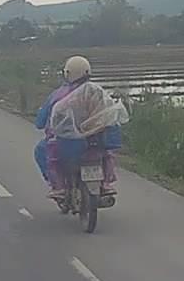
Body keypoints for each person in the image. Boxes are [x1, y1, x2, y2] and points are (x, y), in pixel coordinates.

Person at [34, 55, 123, 200]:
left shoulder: (58, 94)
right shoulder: (96, 91)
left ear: (67, 73)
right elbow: (108, 114)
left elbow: (40, 122)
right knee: (107, 153)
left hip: (68, 142)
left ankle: (58, 187)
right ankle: (106, 183)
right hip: (94, 139)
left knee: (41, 150)